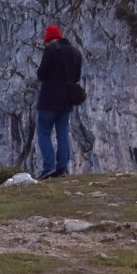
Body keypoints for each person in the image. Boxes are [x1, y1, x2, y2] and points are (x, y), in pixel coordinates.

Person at [35, 24, 82, 180]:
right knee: (62, 133)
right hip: (66, 100)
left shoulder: (50, 50)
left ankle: (49, 167)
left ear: (49, 39)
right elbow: (76, 77)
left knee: (43, 132)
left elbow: (41, 74)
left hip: (48, 99)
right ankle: (62, 168)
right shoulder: (75, 52)